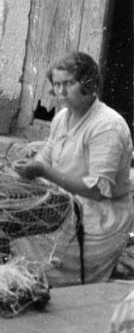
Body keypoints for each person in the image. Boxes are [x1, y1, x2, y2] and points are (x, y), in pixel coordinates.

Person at [13, 52, 134, 285]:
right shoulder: (62, 118)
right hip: (68, 201)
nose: (61, 92)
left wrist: (42, 172)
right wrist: (28, 166)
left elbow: (97, 191)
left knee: (30, 243)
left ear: (88, 83)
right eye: (57, 85)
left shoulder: (107, 126)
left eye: (68, 83)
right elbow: (46, 156)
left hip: (100, 215)